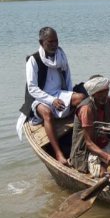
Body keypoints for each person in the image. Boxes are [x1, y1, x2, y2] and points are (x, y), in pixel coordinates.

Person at [17, 27, 86, 165]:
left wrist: (69, 96)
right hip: (39, 98)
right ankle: (59, 154)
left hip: (59, 93)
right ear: (41, 42)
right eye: (50, 42)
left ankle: (83, 140)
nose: (54, 44)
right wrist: (52, 100)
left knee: (82, 99)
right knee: (47, 114)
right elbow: (32, 88)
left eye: (56, 41)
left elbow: (67, 77)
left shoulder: (60, 55)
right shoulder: (33, 60)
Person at [70, 75, 110, 177]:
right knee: (102, 174)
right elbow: (89, 143)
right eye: (100, 93)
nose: (104, 95)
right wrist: (106, 157)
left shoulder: (108, 100)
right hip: (86, 152)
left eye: (106, 91)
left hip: (105, 143)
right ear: (93, 93)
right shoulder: (86, 109)